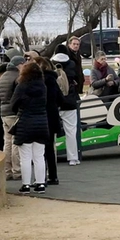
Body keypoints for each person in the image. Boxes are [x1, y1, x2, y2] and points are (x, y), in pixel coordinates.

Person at [10, 59, 50, 193]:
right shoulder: (43, 87)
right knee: (39, 156)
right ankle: (40, 184)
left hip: (25, 122)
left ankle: (26, 185)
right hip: (41, 122)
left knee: (25, 157)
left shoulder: (21, 86)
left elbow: (13, 105)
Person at [53, 37, 84, 166]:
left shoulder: (51, 64)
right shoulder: (71, 64)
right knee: (71, 131)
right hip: (70, 101)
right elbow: (78, 78)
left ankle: (51, 156)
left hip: (55, 102)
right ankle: (73, 158)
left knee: (52, 132)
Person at [0, 55, 25, 180]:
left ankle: (7, 171)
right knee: (15, 143)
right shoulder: (18, 78)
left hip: (3, 113)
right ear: (19, 65)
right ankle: (17, 171)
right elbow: (18, 97)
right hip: (14, 113)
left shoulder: (1, 78)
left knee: (7, 142)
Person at [37, 56, 64, 186]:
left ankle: (41, 176)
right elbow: (60, 98)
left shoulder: (39, 81)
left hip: (41, 116)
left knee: (40, 149)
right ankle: (53, 175)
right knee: (50, 148)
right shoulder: (52, 80)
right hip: (52, 116)